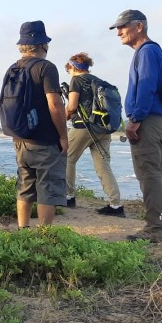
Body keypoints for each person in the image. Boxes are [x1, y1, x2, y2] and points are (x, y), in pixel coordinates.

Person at [111, 9, 162, 242]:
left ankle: (156, 229)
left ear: (138, 26)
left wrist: (136, 119)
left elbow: (147, 86)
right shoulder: (151, 51)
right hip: (157, 120)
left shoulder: (147, 51)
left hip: (148, 121)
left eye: (122, 26)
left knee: (149, 175)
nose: (118, 31)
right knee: (160, 174)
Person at [4, 21, 68, 229]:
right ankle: (43, 236)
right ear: (43, 45)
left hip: (20, 138)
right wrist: (63, 136)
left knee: (24, 185)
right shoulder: (46, 68)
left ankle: (23, 230)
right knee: (47, 187)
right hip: (44, 139)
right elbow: (55, 104)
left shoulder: (13, 68)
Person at [62, 52, 123, 216]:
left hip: (83, 127)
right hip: (103, 128)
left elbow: (72, 106)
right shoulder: (98, 81)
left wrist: (63, 117)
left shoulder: (76, 80)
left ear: (73, 67)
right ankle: (116, 205)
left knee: (67, 158)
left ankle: (68, 197)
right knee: (103, 165)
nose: (69, 73)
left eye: (69, 70)